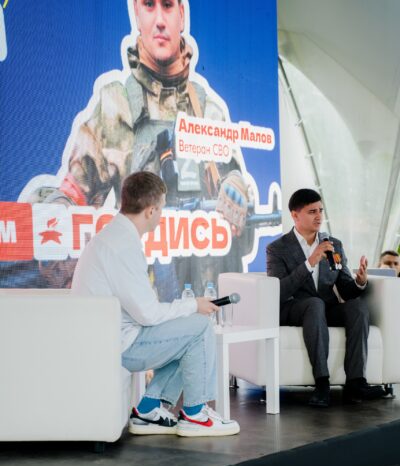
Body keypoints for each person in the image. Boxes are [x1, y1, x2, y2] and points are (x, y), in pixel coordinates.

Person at [21, 0, 255, 296]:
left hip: (200, 296)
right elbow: (71, 197)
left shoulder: (208, 111)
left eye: (167, 6)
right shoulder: (115, 106)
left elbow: (240, 226)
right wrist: (57, 211)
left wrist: (237, 190)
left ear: (182, 15)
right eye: (149, 6)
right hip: (138, 295)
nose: (160, 20)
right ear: (136, 14)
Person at [72, 171, 240, 437]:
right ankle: (196, 414)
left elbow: (143, 310)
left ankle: (148, 410)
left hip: (110, 338)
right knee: (199, 328)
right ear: (150, 210)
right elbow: (148, 314)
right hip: (117, 345)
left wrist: (188, 309)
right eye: (161, 208)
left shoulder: (116, 236)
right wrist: (193, 305)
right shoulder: (122, 245)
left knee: (188, 330)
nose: (161, 215)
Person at [266, 188, 385, 407]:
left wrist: (360, 281)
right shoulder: (277, 249)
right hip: (295, 308)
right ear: (295, 215)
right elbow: (279, 291)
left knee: (357, 307)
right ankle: (322, 382)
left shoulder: (333, 245)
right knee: (314, 304)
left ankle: (356, 383)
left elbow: (345, 288)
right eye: (312, 211)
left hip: (325, 308)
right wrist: (310, 262)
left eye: (320, 210)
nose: (319, 216)